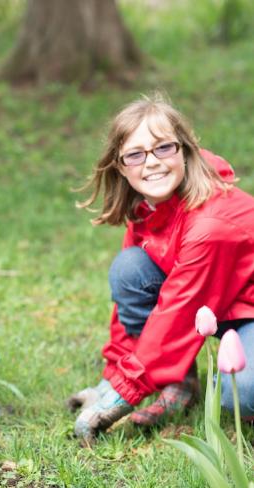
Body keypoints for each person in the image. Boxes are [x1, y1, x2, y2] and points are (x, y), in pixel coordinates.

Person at [68, 94, 254, 442]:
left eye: (163, 148)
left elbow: (177, 314)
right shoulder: (151, 206)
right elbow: (131, 298)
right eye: (136, 155)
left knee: (240, 391)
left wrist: (119, 398)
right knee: (130, 270)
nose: (151, 163)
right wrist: (111, 379)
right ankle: (178, 384)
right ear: (121, 167)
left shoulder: (210, 224)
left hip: (243, 307)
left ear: (185, 150)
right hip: (221, 303)